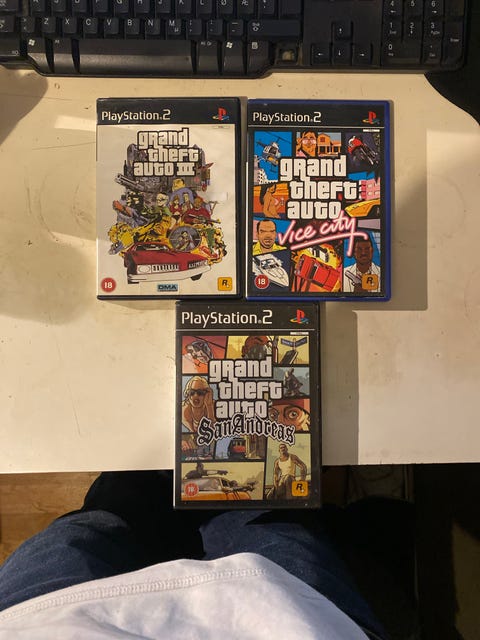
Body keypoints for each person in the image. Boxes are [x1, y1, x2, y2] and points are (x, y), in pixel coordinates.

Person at [0, 471, 389, 639]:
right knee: (258, 509)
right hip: (290, 618)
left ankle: (158, 472)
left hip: (42, 619)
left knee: (110, 513)